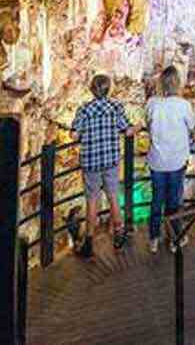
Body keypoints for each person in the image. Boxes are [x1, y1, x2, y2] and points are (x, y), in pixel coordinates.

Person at [70, 73, 134, 257]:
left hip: (91, 161)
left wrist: (80, 135)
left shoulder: (84, 110)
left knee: (91, 200)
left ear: (91, 89)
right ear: (109, 89)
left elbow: (74, 135)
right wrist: (137, 127)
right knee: (113, 196)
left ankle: (89, 241)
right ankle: (119, 235)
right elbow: (127, 130)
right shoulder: (115, 107)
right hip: (111, 160)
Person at [146, 65, 195, 253]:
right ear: (177, 83)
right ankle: (175, 238)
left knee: (157, 199)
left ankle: (154, 238)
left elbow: (148, 123)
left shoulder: (152, 103)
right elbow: (192, 124)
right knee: (174, 201)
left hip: (157, 160)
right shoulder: (183, 105)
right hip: (176, 160)